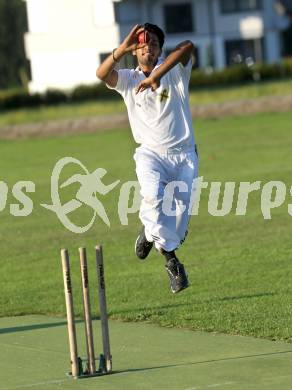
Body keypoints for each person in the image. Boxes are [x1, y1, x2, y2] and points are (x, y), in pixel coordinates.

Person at [96, 23, 198, 293]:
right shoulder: (129, 79)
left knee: (178, 219)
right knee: (152, 196)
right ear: (135, 48)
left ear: (159, 49)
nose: (148, 48)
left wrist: (156, 76)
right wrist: (120, 49)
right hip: (150, 154)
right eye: (142, 43)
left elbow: (187, 47)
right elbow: (102, 73)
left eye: (153, 43)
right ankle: (172, 262)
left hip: (184, 155)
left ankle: (150, 233)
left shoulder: (175, 70)